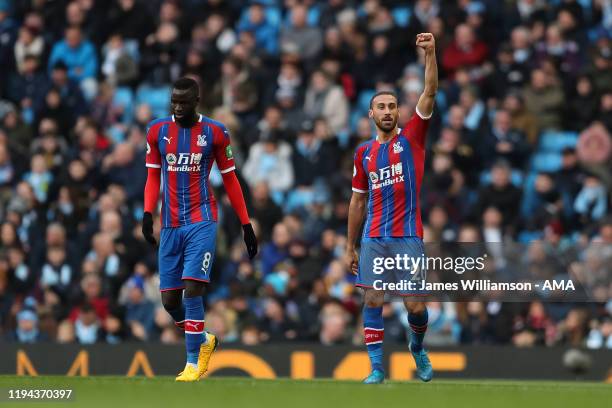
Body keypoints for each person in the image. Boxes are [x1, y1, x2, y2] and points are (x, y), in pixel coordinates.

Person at [141, 77, 258, 381]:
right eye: (174, 102)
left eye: (183, 102)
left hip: (202, 219)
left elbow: (231, 180)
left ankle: (193, 363)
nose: (178, 108)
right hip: (169, 224)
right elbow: (153, 177)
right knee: (169, 301)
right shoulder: (157, 131)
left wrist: (246, 224)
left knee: (193, 287)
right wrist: (146, 214)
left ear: (196, 101)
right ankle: (204, 339)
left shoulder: (216, 132)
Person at [346, 33, 437, 384]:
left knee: (414, 305)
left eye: (392, 106)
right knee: (372, 298)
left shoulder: (412, 138)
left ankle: (416, 345)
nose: (387, 111)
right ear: (371, 113)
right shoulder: (363, 154)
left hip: (408, 236)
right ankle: (377, 369)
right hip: (373, 237)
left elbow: (429, 92)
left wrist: (430, 53)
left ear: (398, 111)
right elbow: (357, 201)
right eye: (381, 107)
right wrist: (349, 245)